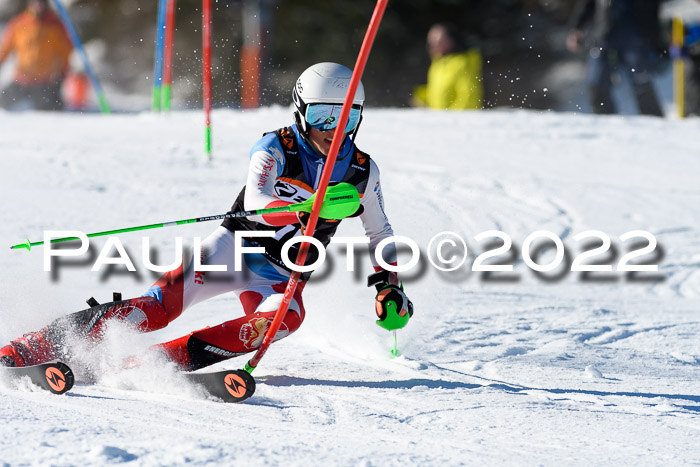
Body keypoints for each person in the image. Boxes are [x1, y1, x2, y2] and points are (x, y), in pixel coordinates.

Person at [0, 62, 413, 371]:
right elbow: (257, 203)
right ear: (301, 111)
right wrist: (312, 203)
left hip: (281, 275)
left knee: (283, 321)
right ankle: (33, 345)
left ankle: (155, 364)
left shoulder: (362, 170)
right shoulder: (275, 147)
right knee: (156, 310)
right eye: (324, 115)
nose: (335, 127)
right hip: (231, 251)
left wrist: (388, 286)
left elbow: (381, 234)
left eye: (348, 115)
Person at [566, 0, 664, 116]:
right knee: (596, 81)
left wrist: (656, 39)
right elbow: (588, 4)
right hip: (604, 36)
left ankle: (653, 122)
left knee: (642, 79)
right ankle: (604, 121)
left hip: (635, 37)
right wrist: (576, 28)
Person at [0, 0, 73, 111]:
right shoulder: (19, 23)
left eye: (41, 2)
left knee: (52, 113)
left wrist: (63, 71)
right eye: (35, 2)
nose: (38, 5)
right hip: (22, 80)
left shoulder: (55, 25)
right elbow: (5, 48)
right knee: (3, 103)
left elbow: (66, 51)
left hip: (45, 83)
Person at [413, 23, 483, 110]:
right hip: (441, 119)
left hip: (456, 121)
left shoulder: (462, 62)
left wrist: (451, 119)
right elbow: (441, 91)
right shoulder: (438, 63)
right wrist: (422, 96)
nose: (432, 46)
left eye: (437, 41)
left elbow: (469, 96)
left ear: (451, 41)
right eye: (430, 42)